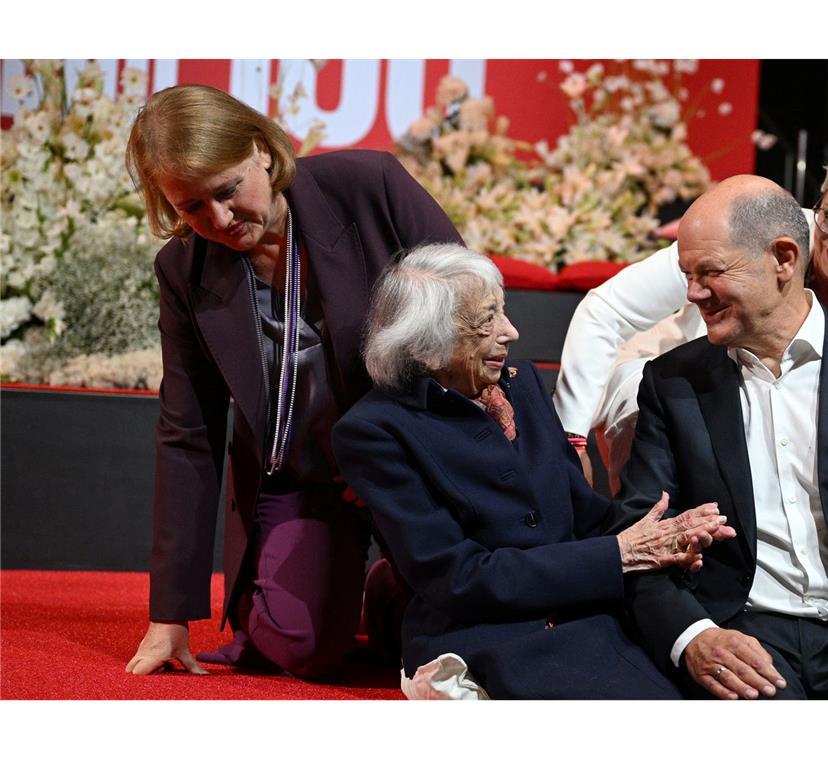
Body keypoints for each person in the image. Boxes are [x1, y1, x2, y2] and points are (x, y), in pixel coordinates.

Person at [554, 127, 828, 675]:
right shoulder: (741, 231)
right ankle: (658, 592)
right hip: (680, 396)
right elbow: (603, 312)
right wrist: (569, 436)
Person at [123, 84, 464, 679]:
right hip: (301, 476)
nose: (220, 220)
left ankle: (387, 592)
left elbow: (469, 314)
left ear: (260, 149)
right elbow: (188, 431)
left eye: (228, 191)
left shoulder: (370, 185)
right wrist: (169, 615)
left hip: (414, 459)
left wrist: (397, 457)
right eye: (191, 208)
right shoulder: (183, 270)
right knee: (300, 649)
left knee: (455, 636)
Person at [331, 244, 735, 699]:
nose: (511, 331)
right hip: (493, 632)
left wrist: (665, 537)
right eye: (487, 320)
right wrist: (617, 555)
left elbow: (586, 515)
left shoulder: (519, 384)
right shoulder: (374, 432)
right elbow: (457, 580)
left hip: (588, 611)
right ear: (425, 346)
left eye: (503, 311)